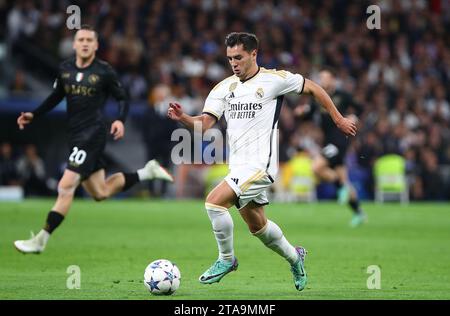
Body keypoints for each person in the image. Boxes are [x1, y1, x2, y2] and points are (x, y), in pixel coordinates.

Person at [167, 32, 356, 291]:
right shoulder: (223, 88)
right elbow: (205, 123)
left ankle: (226, 260)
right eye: (229, 58)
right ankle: (295, 257)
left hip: (260, 166)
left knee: (213, 203)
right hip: (238, 167)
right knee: (259, 227)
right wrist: (184, 119)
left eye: (238, 57)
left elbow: (313, 87)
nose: (233, 63)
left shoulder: (273, 80)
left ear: (253, 54)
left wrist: (338, 119)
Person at [14, 25, 173, 254]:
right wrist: (34, 114)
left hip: (92, 134)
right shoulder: (65, 69)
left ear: (96, 45)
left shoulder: (104, 71)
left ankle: (40, 239)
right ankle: (146, 172)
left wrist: (119, 120)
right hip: (75, 135)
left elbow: (122, 98)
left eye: (90, 39)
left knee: (65, 186)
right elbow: (56, 96)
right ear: (75, 44)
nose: (86, 43)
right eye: (81, 39)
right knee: (100, 192)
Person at [295, 68, 367, 227]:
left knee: (316, 167)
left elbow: (360, 108)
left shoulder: (342, 95)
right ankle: (358, 212)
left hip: (340, 140)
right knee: (344, 180)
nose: (323, 81)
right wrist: (301, 112)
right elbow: (309, 113)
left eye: (326, 78)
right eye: (320, 78)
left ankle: (340, 188)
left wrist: (353, 116)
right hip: (328, 141)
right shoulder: (317, 97)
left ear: (333, 80)